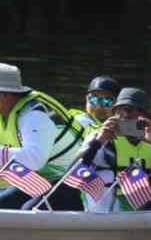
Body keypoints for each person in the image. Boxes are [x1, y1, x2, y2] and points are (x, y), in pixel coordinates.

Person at [79, 88, 151, 212]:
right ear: (114, 116)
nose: (128, 119)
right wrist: (98, 142)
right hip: (105, 212)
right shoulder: (99, 138)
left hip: (141, 210)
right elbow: (74, 170)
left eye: (136, 116)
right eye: (123, 114)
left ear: (147, 119)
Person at [0, 64, 87, 210]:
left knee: (27, 211)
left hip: (70, 183)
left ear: (5, 95)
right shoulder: (5, 113)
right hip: (39, 179)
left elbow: (34, 159)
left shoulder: (34, 115)